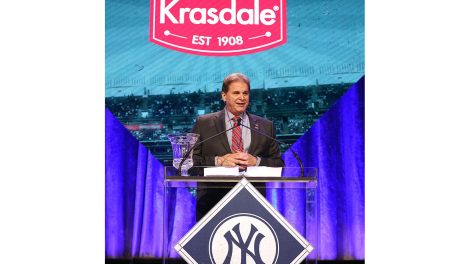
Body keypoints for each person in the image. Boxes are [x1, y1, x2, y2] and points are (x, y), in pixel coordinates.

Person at [191, 73, 284, 220]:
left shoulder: (266, 126)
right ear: (224, 96)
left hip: (253, 204)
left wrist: (257, 162)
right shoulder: (204, 124)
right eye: (236, 93)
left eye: (245, 93)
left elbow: (279, 164)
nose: (242, 97)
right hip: (213, 204)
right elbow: (189, 163)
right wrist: (219, 161)